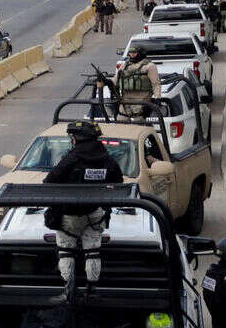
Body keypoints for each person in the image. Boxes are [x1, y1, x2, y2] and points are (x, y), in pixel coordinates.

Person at [43, 120, 124, 302]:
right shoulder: (106, 158)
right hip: (95, 213)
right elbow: (118, 181)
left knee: (66, 251)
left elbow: (50, 182)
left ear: (76, 139)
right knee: (93, 251)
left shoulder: (72, 158)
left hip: (69, 215)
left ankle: (68, 291)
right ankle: (92, 290)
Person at [116, 45, 161, 118]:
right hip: (125, 100)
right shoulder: (125, 65)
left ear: (141, 53)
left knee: (138, 122)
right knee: (121, 120)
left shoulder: (149, 66)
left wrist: (158, 98)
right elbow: (116, 79)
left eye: (134, 53)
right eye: (130, 53)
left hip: (142, 100)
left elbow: (156, 83)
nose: (132, 55)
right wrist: (105, 81)